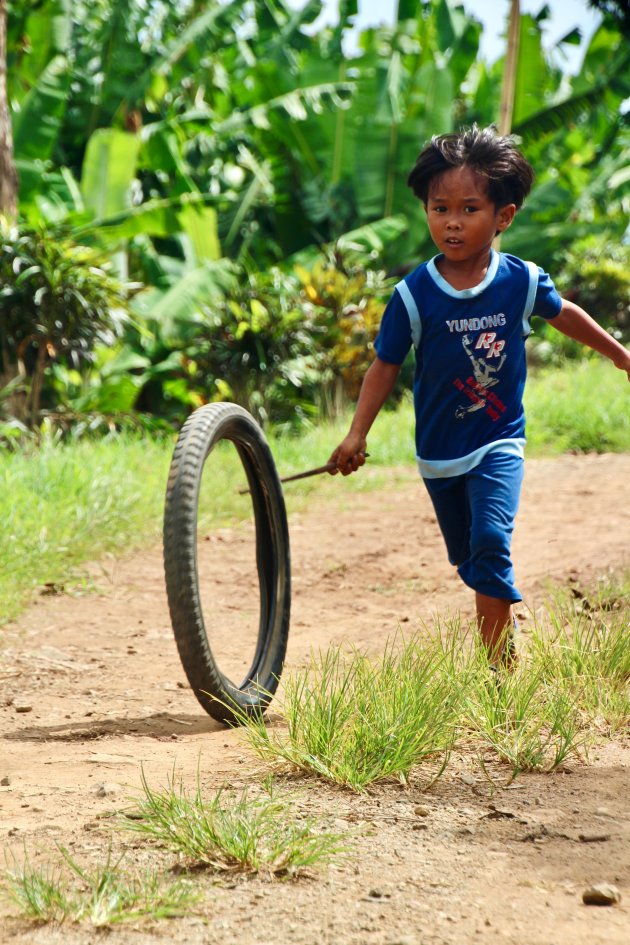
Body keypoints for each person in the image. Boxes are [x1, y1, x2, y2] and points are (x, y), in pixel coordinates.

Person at [328, 125, 630, 666]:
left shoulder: (522, 280)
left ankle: (499, 672)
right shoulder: (412, 296)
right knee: (469, 558)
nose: (451, 221)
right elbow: (384, 366)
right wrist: (356, 434)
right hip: (439, 453)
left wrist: (620, 355)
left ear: (503, 217)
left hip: (499, 440)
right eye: (439, 208)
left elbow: (566, 317)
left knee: (491, 541)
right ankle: (501, 634)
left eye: (469, 209)